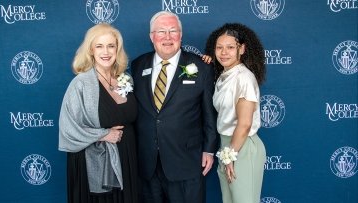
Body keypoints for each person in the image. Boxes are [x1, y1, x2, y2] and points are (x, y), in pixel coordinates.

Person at [130, 11, 218, 203]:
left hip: (187, 161)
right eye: (161, 31)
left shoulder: (201, 67)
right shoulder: (137, 66)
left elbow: (209, 113)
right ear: (152, 36)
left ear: (181, 35)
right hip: (147, 164)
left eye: (173, 31)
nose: (167, 37)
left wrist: (209, 149)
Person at [58, 23, 138, 203]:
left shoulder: (125, 79)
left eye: (111, 46)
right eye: (99, 46)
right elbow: (67, 129)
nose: (106, 52)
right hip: (94, 163)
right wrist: (104, 134)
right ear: (91, 51)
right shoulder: (81, 84)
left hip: (126, 156)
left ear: (117, 49)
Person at [204, 23, 267, 203]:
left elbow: (245, 123)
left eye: (230, 47)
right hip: (227, 145)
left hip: (242, 147)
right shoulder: (225, 75)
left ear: (242, 49)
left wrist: (230, 155)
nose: (224, 52)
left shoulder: (244, 78)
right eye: (219, 47)